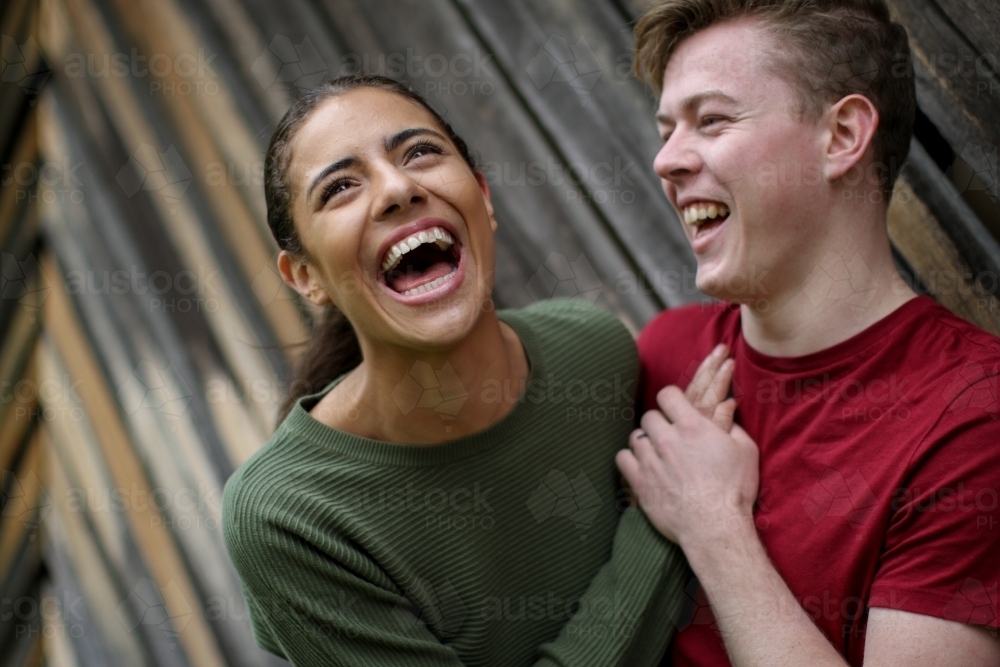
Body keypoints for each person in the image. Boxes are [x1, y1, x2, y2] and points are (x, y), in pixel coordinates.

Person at [221, 74, 735, 667]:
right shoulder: (288, 516)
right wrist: (669, 521)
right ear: (305, 277)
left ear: (484, 197)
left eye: (420, 152)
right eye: (339, 187)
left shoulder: (595, 352)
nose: (397, 188)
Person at [616, 1, 1000, 666]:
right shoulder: (665, 354)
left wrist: (714, 525)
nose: (666, 160)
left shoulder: (972, 422)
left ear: (843, 136)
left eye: (711, 120)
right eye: (666, 129)